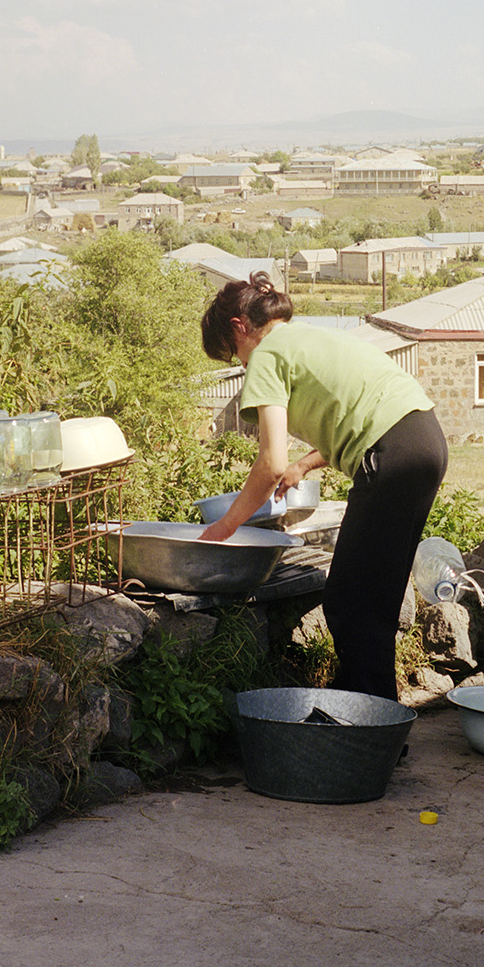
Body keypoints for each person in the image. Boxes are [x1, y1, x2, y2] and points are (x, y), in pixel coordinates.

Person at [199, 272, 447, 702]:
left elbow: (269, 461)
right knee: (375, 602)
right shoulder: (308, 338)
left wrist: (227, 526)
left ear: (240, 327)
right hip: (423, 441)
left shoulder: (266, 353)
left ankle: (362, 727)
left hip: (393, 455)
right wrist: (305, 464)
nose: (240, 364)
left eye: (233, 352)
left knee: (349, 601)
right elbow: (355, 417)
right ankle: (377, 721)